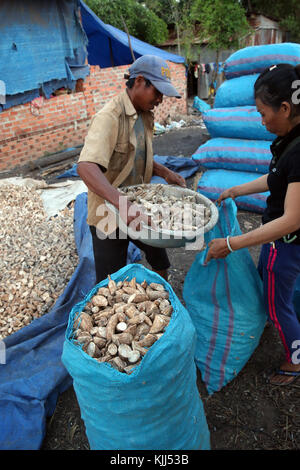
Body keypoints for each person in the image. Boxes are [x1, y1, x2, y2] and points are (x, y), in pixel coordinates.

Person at [205, 63, 300, 386]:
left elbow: (291, 220)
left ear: (285, 108)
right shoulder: (291, 139)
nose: (261, 121)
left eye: (263, 113)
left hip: (286, 245)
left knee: (277, 305)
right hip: (284, 246)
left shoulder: (299, 150)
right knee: (275, 294)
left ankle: (295, 360)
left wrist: (231, 244)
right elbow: (277, 179)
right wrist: (236, 189)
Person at [77, 55, 186, 286]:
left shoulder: (145, 115)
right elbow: (86, 167)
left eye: (162, 95)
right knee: (110, 282)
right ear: (138, 81)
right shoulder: (109, 117)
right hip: (108, 213)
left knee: (160, 258)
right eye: (156, 92)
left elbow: (136, 156)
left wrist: (165, 172)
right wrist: (121, 203)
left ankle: (165, 296)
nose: (159, 99)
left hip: (138, 206)